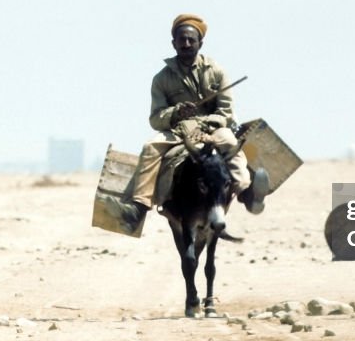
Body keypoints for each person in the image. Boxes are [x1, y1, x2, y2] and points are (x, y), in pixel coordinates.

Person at [110, 14, 269, 231]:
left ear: (200, 43)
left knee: (231, 144)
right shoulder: (161, 79)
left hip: (213, 130)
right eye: (181, 40)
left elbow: (226, 112)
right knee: (150, 147)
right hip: (178, 131)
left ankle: (246, 193)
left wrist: (208, 123)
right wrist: (176, 113)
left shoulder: (217, 72)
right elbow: (156, 118)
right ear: (173, 43)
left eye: (190, 40)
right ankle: (139, 205)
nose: (186, 44)